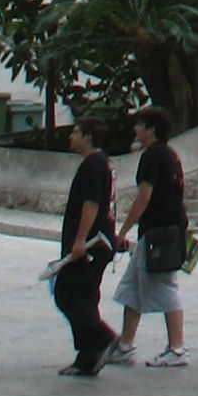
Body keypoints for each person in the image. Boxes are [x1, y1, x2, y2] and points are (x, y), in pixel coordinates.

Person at [110, 106, 190, 366]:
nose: (136, 129)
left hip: (160, 231)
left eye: (140, 125)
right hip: (163, 229)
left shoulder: (152, 156)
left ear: (151, 130)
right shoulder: (170, 155)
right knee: (133, 286)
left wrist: (122, 230)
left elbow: (144, 196)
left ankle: (177, 349)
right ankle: (125, 345)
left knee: (165, 285)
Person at [52, 116, 118, 377]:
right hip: (100, 241)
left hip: (89, 243)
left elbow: (91, 203)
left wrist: (79, 240)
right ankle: (87, 357)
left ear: (88, 137)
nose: (71, 138)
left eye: (76, 133)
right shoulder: (104, 164)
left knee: (67, 293)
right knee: (86, 297)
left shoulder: (92, 165)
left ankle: (103, 338)